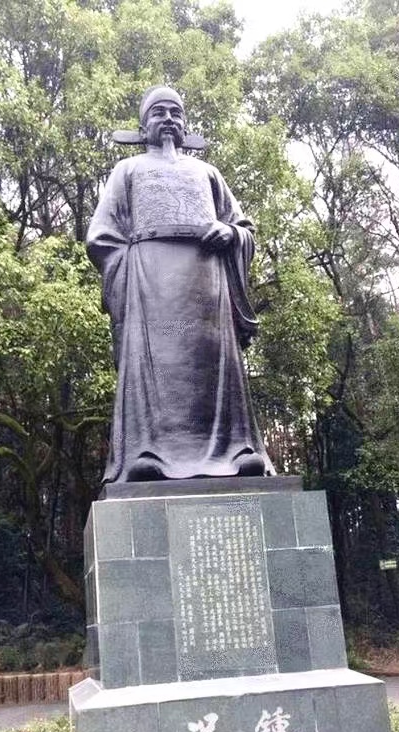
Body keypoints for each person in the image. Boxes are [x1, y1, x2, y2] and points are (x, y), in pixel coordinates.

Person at [86, 86, 274, 483]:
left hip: (207, 282)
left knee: (214, 366)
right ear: (143, 126)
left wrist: (230, 233)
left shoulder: (208, 173)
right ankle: (148, 452)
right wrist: (133, 267)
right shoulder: (128, 170)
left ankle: (235, 452)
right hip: (151, 283)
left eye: (175, 112)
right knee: (157, 368)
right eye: (159, 113)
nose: (168, 119)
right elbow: (101, 236)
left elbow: (244, 227)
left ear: (185, 125)